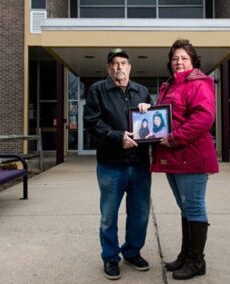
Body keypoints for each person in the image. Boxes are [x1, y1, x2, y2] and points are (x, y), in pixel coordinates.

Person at [150, 39, 219, 280]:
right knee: (185, 208)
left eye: (184, 58)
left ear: (193, 61)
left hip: (192, 156)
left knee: (194, 206)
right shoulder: (168, 86)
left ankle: (196, 261)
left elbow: (203, 118)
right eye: (175, 58)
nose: (178, 62)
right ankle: (185, 255)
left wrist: (174, 138)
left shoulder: (199, 83)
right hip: (174, 157)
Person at [84, 48, 153, 280]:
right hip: (111, 164)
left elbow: (153, 125)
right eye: (114, 63)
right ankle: (111, 257)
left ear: (130, 67)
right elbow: (92, 123)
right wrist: (117, 137)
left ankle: (132, 252)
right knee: (108, 216)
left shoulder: (142, 91)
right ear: (108, 68)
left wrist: (148, 110)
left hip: (140, 164)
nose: (119, 67)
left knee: (140, 214)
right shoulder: (97, 90)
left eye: (123, 63)